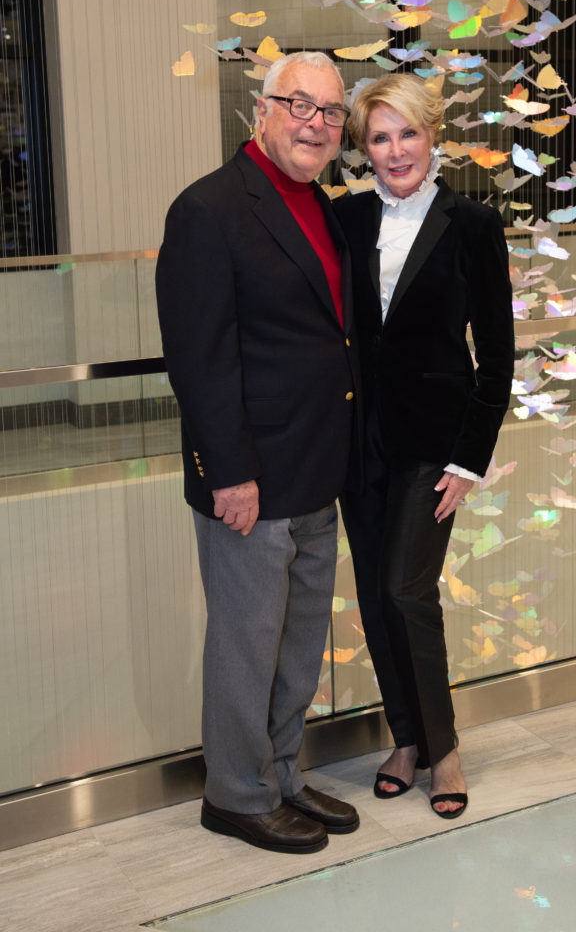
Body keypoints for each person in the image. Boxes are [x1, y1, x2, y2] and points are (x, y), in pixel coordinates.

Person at [156, 51, 360, 853]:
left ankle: (278, 772)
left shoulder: (324, 204)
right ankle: (235, 794)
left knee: (299, 640)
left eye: (331, 111)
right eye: (299, 105)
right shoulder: (209, 209)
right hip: (252, 476)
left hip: (317, 464)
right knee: (246, 642)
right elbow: (198, 356)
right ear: (262, 112)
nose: (316, 122)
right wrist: (227, 473)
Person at [335, 73, 514, 818]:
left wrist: (469, 459)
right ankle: (403, 738)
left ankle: (442, 750)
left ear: (432, 135)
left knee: (409, 590)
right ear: (365, 149)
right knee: (377, 595)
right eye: (380, 137)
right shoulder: (343, 220)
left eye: (407, 132)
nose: (396, 149)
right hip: (356, 444)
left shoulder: (473, 224)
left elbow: (497, 357)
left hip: (433, 446)